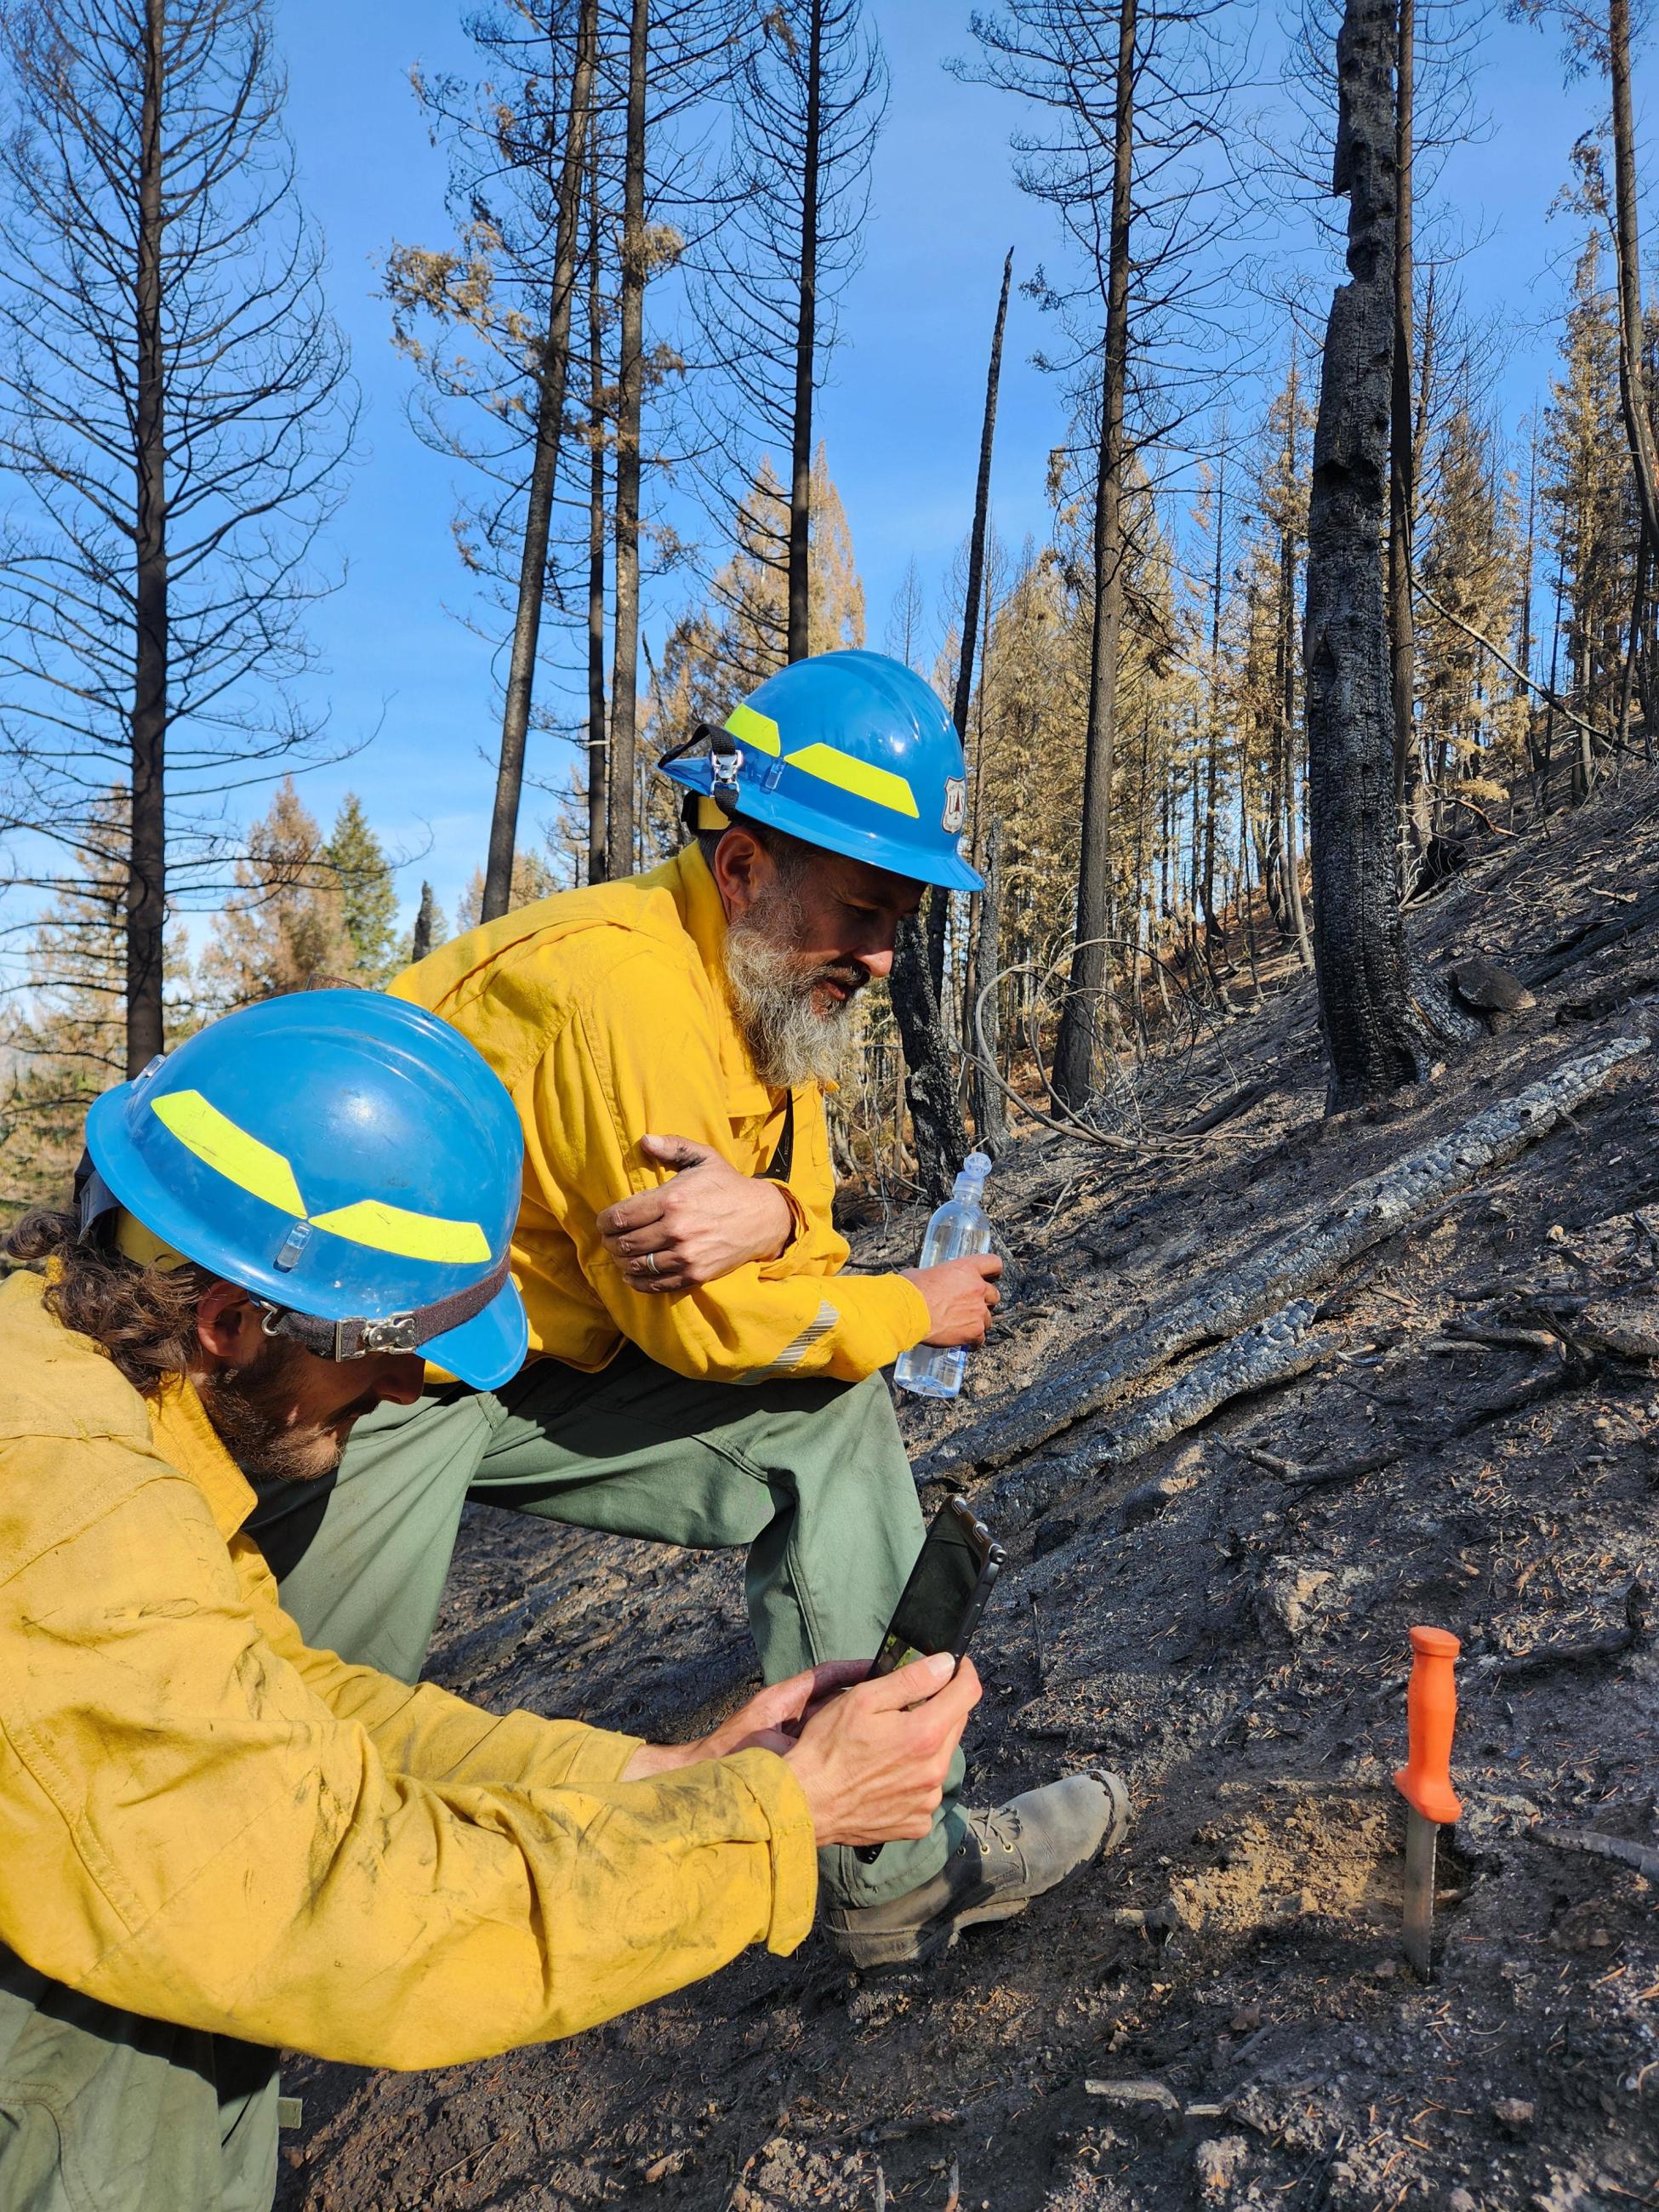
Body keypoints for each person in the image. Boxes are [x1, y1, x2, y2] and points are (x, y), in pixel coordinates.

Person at [0, 989, 979, 2212]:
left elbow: (289, 1701)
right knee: (127, 2032)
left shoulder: (88, 1399)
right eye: (395, 1353)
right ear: (231, 1322)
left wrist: (657, 1778)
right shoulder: (71, 1508)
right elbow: (338, 1914)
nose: (410, 1393)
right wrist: (770, 1824)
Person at [246, 650, 1130, 1970]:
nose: (885, 957)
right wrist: (908, 1307)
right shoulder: (619, 992)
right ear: (743, 869)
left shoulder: (775, 988)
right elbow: (701, 1332)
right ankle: (249, 1988)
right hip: (348, 1371)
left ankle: (891, 1864)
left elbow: (814, 1234)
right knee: (294, 1736)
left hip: (530, 1353)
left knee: (822, 1427)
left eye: (902, 920)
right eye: (866, 911)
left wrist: (768, 1213)